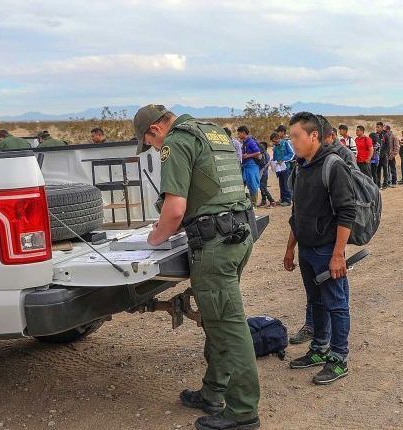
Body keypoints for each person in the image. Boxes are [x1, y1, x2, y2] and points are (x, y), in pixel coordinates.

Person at [133, 104, 260, 430]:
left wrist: (153, 238)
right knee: (217, 319)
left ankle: (243, 412)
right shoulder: (211, 131)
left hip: (215, 245)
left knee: (228, 326)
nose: (155, 148)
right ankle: (213, 392)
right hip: (239, 234)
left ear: (154, 130)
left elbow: (175, 210)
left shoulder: (176, 142)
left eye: (150, 143)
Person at [283, 111, 356, 386]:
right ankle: (320, 348)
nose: (293, 142)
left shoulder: (333, 166)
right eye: (291, 137)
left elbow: (346, 212)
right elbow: (297, 212)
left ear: (313, 136)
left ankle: (338, 358)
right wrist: (290, 248)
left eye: (296, 136)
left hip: (327, 251)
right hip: (306, 250)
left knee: (336, 304)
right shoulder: (300, 167)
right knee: (316, 302)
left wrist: (338, 254)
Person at [237, 125, 262, 207]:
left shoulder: (250, 142)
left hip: (251, 166)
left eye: (239, 133)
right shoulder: (245, 142)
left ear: (243, 133)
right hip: (245, 166)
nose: (238, 135)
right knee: (242, 183)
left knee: (253, 185)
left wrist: (247, 156)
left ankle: (254, 204)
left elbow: (258, 152)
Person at [272, 125, 294, 206]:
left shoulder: (287, 142)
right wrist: (274, 162)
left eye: (278, 131)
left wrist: (283, 160)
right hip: (279, 167)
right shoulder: (276, 143)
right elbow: (275, 155)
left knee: (286, 183)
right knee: (281, 183)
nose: (276, 133)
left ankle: (287, 200)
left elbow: (292, 154)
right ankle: (282, 199)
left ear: (282, 132)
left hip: (286, 166)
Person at [374, 122, 390, 189]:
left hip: (384, 155)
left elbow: (388, 145)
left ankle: (385, 183)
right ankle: (378, 184)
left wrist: (384, 153)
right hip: (377, 155)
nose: (377, 128)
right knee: (378, 170)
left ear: (381, 127)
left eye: (378, 127)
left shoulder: (385, 135)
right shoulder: (375, 135)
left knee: (385, 170)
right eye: (376, 127)